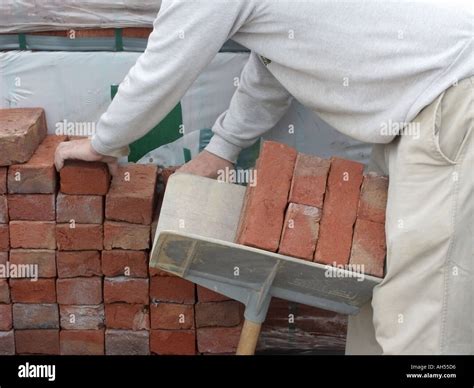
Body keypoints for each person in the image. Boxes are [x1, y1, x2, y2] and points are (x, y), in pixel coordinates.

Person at [54, 0, 473, 355]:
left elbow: (164, 65)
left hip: (453, 101)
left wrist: (102, 145)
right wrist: (223, 146)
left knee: (424, 319)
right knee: (378, 292)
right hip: (426, 106)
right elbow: (279, 55)